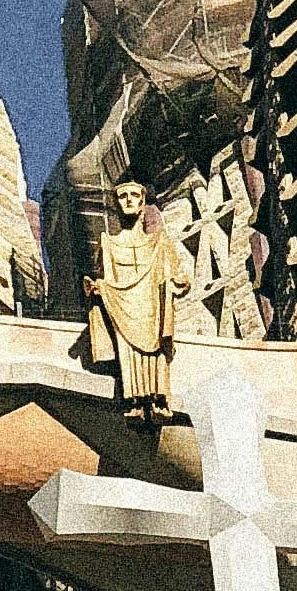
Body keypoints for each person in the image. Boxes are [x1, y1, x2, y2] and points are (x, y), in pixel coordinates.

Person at [84, 178, 193, 430]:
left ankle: (159, 398)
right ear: (116, 204)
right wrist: (97, 287)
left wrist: (177, 282)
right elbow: (105, 278)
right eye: (123, 197)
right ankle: (133, 399)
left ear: (143, 202)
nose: (129, 200)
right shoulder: (108, 243)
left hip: (151, 305)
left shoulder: (159, 242)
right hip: (122, 304)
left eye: (134, 195)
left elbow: (176, 276)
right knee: (128, 349)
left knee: (154, 348)